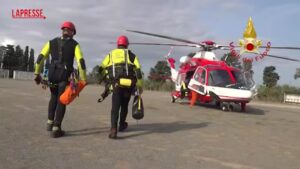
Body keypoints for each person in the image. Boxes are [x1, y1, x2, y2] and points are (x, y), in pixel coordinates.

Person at [34, 21, 87, 138]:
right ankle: (56, 127)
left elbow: (40, 58)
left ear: (63, 30)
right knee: (62, 100)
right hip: (64, 76)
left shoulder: (51, 42)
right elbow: (81, 62)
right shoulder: (75, 45)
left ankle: (49, 122)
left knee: (53, 97)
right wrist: (83, 78)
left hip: (52, 75)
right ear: (72, 32)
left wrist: (37, 73)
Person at [99, 35, 143, 139]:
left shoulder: (111, 54)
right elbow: (138, 70)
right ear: (127, 44)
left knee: (115, 108)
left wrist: (106, 80)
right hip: (128, 85)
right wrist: (139, 85)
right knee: (124, 106)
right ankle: (122, 124)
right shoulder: (131, 54)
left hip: (116, 84)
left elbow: (101, 68)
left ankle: (113, 129)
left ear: (118, 44)